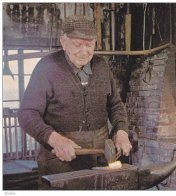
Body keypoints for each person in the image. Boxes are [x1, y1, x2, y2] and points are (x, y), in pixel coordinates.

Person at [17, 15, 132, 181]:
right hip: (59, 159)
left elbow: (115, 105)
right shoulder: (47, 68)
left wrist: (121, 131)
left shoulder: (102, 67)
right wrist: (55, 140)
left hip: (101, 157)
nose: (84, 51)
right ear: (63, 42)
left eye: (89, 45)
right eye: (77, 45)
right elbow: (27, 114)